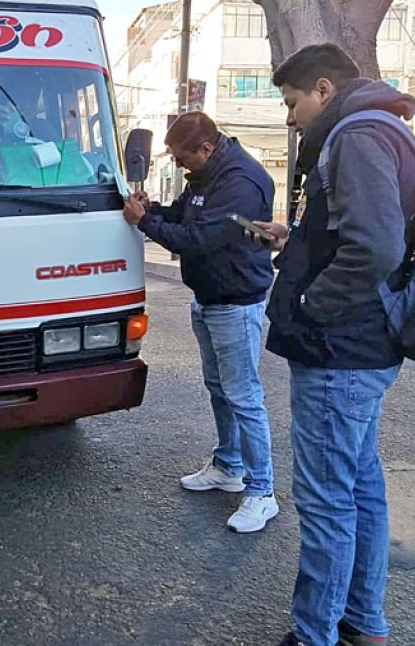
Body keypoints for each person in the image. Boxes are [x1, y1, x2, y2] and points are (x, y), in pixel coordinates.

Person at [253, 44, 415, 646]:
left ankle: (313, 634)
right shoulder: (379, 128)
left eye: (292, 102)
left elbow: (375, 247)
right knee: (360, 487)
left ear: (323, 89)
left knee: (326, 500)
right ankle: (362, 622)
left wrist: (310, 306)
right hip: (364, 344)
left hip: (339, 349)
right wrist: (296, 241)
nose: (290, 117)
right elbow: (355, 235)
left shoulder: (355, 135)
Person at [123, 111, 278, 533]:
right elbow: (185, 215)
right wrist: (155, 210)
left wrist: (144, 221)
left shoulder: (240, 182)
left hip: (236, 304)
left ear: (206, 149)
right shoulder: (206, 176)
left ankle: (262, 492)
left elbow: (200, 239)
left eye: (181, 157)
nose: (178, 164)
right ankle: (229, 466)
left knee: (244, 397)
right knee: (220, 389)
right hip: (210, 299)